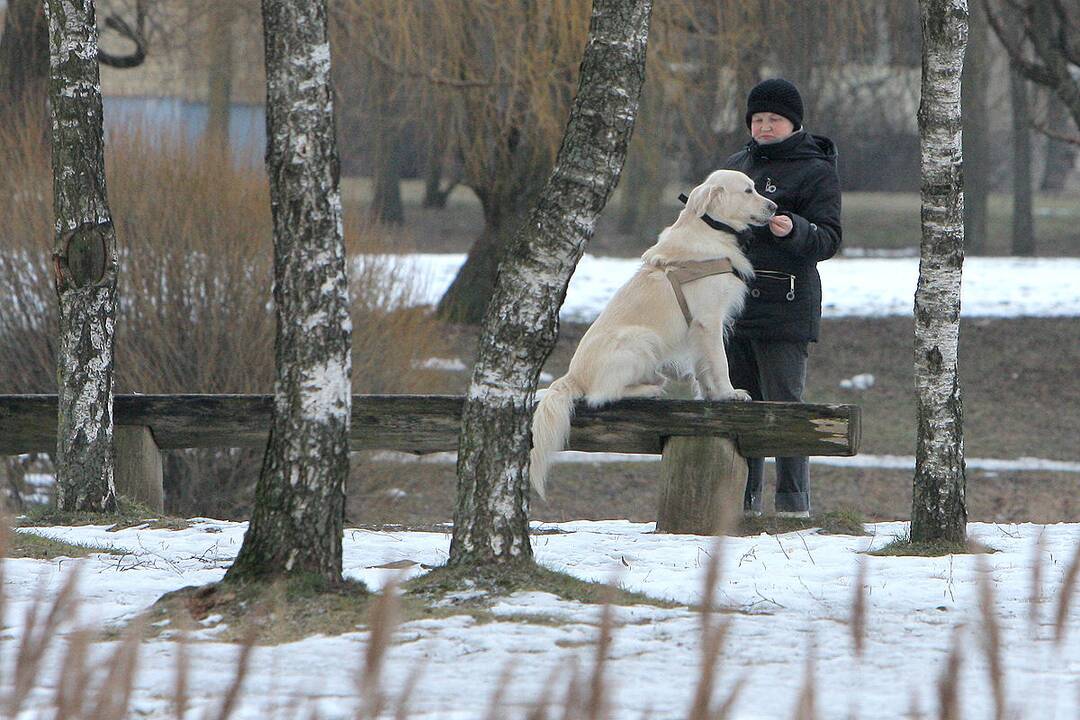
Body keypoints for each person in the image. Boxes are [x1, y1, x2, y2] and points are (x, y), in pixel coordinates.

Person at [723, 78, 842, 518]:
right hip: (733, 306)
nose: (764, 126)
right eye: (757, 119)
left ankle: (793, 504)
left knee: (785, 408)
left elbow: (829, 239)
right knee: (739, 405)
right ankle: (743, 501)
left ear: (793, 122)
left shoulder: (816, 170)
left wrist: (796, 229)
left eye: (773, 119)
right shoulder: (737, 166)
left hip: (787, 305)